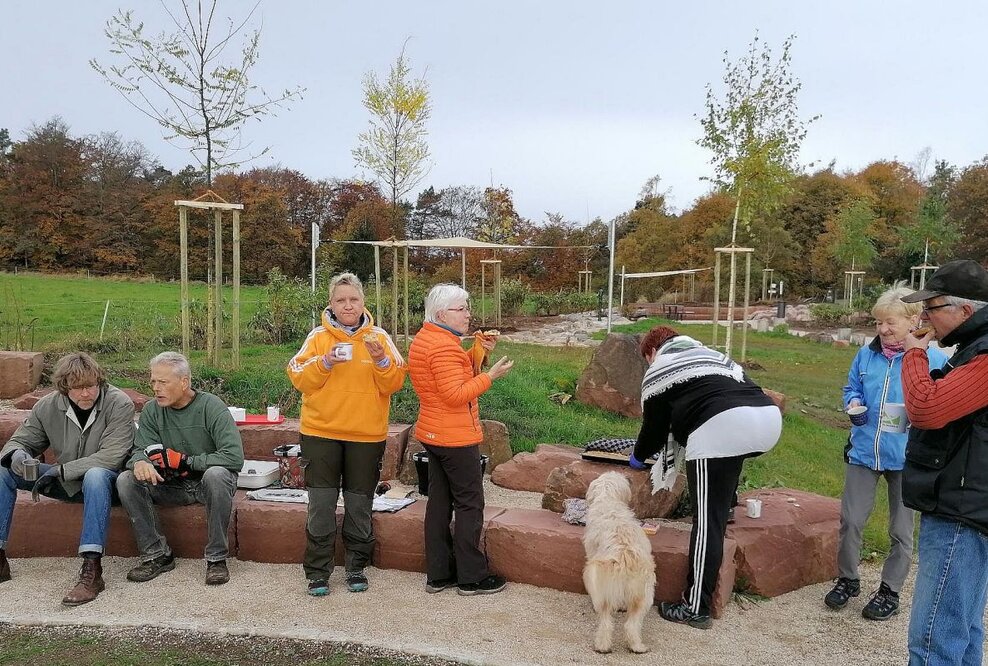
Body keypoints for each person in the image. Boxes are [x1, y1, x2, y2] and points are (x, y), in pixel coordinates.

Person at [630, 325, 781, 629]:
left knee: (707, 521)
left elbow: (655, 428)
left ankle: (695, 606)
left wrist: (637, 457)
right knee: (726, 468)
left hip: (721, 428)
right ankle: (727, 502)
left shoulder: (660, 367)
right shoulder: (712, 355)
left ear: (651, 352)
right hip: (767, 420)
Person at [826, 285, 948, 620]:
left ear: (913, 321)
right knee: (850, 521)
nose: (882, 330)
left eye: (890, 323)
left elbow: (942, 404)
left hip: (908, 458)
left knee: (901, 530)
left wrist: (921, 421)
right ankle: (848, 579)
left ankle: (889, 591)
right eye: (879, 323)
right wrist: (852, 401)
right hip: (864, 450)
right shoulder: (867, 354)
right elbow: (851, 386)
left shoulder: (934, 359)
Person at [286, 272, 406, 596]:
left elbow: (395, 382)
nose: (348, 305)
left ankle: (356, 566)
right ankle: (317, 571)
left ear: (363, 302)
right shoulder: (317, 338)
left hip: (366, 435)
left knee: (359, 505)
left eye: (353, 299)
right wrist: (324, 362)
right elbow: (298, 376)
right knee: (321, 505)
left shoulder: (379, 337)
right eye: (341, 300)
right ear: (331, 304)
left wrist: (380, 359)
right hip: (320, 432)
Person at [899, 259, 988, 665]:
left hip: (960, 511)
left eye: (931, 308)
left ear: (965, 310)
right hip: (966, 504)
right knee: (963, 629)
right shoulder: (972, 349)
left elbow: (927, 408)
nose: (922, 317)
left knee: (935, 637)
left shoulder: (984, 355)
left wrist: (915, 355)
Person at [0, 352, 134, 606]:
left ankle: (92, 569)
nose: (86, 394)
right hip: (65, 480)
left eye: (91, 386)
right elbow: (21, 439)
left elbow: (112, 456)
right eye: (78, 388)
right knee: (4, 470)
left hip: (108, 483)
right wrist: (16, 454)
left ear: (100, 382)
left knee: (95, 475)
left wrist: (60, 470)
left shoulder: (119, 403)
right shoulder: (47, 406)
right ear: (64, 388)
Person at [408, 283, 513, 596]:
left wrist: (480, 351)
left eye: (467, 308)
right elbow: (455, 393)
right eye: (462, 309)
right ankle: (471, 577)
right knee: (470, 503)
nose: (469, 315)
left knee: (439, 502)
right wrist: (490, 376)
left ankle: (438, 574)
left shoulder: (428, 338)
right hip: (454, 436)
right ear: (442, 313)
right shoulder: (443, 346)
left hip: (433, 432)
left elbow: (452, 373)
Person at [116, 352, 244, 586]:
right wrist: (139, 462)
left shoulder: (212, 407)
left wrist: (185, 461)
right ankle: (157, 555)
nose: (156, 388)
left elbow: (233, 457)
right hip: (171, 485)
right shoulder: (152, 411)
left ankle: (216, 559)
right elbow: (139, 449)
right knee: (126, 480)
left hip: (208, 485)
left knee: (217, 474)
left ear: (184, 382)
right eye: (153, 381)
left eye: (163, 382)